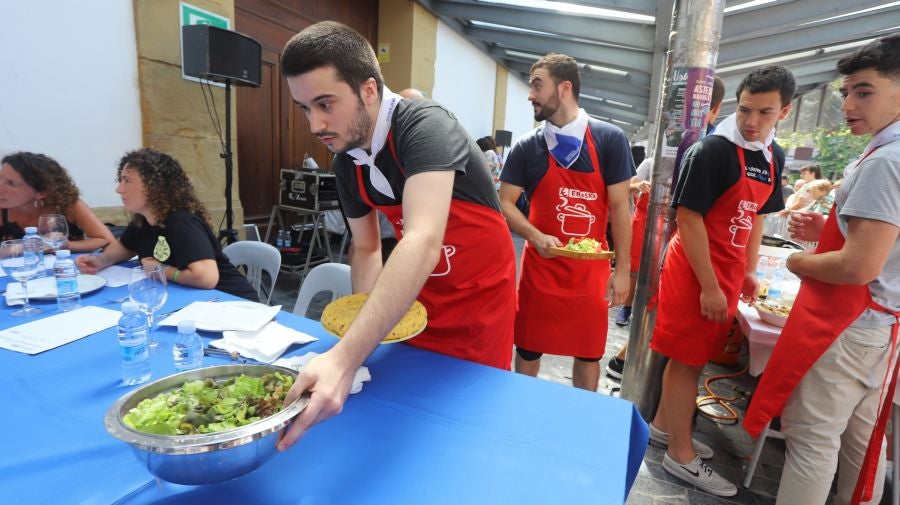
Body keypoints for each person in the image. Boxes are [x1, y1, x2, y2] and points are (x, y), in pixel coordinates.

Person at [277, 21, 517, 449]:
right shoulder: (347, 161)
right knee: (411, 420)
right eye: (304, 108)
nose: (315, 124)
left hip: (477, 298)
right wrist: (368, 337)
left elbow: (422, 238)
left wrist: (345, 358)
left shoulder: (425, 126)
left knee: (470, 424)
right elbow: (367, 248)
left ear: (368, 90)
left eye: (325, 104)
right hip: (410, 299)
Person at [745, 34, 900, 505]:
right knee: (862, 444)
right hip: (880, 325)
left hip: (851, 324)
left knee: (811, 440)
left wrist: (796, 259)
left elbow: (858, 266)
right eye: (846, 93)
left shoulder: (886, 161)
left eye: (865, 91)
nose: (850, 103)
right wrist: (826, 227)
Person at [650, 65, 794, 496]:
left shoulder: (773, 156)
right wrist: (711, 285)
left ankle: (662, 427)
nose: (751, 121)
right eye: (745, 109)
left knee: (696, 355)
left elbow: (756, 218)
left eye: (764, 113)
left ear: (784, 112)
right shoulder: (711, 151)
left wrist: (748, 270)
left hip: (728, 271)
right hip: (694, 271)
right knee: (688, 360)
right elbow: (689, 219)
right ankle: (680, 456)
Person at [498, 53, 633, 391]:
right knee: (527, 350)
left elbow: (620, 208)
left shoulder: (609, 139)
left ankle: (580, 424)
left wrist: (623, 271)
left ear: (565, 88)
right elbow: (504, 204)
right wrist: (535, 235)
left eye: (537, 85)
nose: (531, 94)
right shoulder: (528, 146)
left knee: (588, 356)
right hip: (540, 271)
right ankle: (522, 414)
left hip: (590, 274)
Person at [607, 76, 725, 380]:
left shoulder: (716, 152)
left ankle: (632, 364)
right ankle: (630, 361)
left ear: (714, 111)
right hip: (653, 238)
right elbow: (627, 187)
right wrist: (641, 186)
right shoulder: (659, 154)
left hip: (685, 250)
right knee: (649, 301)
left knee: (665, 312)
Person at [76, 148, 258, 300]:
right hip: (196, 300)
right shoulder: (144, 220)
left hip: (232, 303)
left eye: (127, 181)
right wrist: (100, 261)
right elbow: (125, 247)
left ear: (153, 186)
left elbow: (206, 277)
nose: (119, 189)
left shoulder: (181, 222)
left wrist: (159, 269)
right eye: (120, 180)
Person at [0, 152, 114, 252]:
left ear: (41, 193)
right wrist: (28, 246)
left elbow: (106, 240)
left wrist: (63, 245)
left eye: (11, 183)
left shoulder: (65, 203)